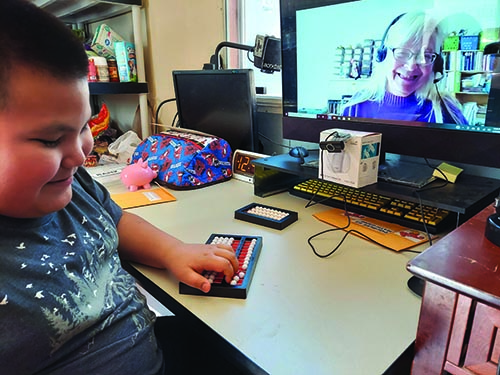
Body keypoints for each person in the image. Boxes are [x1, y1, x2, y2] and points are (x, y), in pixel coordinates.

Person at [0, 1, 240, 374]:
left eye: (82, 128)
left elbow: (115, 221)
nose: (79, 153)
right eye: (50, 140)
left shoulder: (72, 184)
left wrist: (172, 250)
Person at [342, 11, 468, 125]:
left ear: (436, 65)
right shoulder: (356, 107)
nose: (411, 65)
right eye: (401, 53)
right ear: (384, 55)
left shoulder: (447, 111)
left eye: (425, 56)